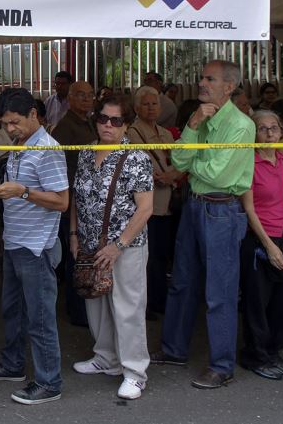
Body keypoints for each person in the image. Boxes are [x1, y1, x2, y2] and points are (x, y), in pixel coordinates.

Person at [150, 60, 255, 389]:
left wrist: (193, 163)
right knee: (182, 281)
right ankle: (174, 349)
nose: (201, 83)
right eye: (202, 77)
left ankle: (222, 366)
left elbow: (218, 174)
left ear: (229, 86)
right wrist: (193, 126)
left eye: (210, 79)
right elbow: (179, 161)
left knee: (219, 292)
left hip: (222, 211)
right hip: (195, 207)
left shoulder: (240, 125)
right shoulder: (201, 118)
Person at [0, 88, 68, 405]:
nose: (9, 129)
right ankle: (13, 364)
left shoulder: (48, 149)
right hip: (14, 242)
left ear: (33, 115)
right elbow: (17, 190)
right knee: (12, 312)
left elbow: (62, 202)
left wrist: (23, 192)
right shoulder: (19, 145)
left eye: (14, 122)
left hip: (36, 247)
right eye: (5, 123)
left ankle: (49, 382)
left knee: (40, 318)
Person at [71, 99, 154, 400]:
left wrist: (118, 246)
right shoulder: (85, 153)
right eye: (103, 118)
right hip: (90, 242)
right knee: (96, 302)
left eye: (116, 121)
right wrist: (73, 232)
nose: (108, 124)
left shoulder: (136, 158)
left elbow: (145, 209)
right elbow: (77, 197)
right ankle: (106, 358)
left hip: (125, 246)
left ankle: (134, 372)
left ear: (127, 125)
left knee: (128, 307)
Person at [238, 110, 283, 380]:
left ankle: (274, 352)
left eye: (274, 127)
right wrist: (269, 246)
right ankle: (256, 356)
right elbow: (249, 210)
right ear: (254, 133)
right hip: (260, 239)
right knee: (257, 302)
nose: (270, 133)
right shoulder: (248, 164)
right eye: (263, 128)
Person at [127, 87, 182, 316]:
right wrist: (160, 176)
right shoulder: (131, 133)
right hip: (147, 204)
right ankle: (148, 304)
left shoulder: (166, 134)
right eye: (146, 104)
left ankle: (160, 300)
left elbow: (179, 162)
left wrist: (172, 175)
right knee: (147, 258)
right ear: (137, 108)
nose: (151, 108)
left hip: (168, 201)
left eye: (155, 104)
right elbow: (134, 165)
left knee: (162, 255)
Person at [50, 80, 97, 326]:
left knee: (83, 254)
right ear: (70, 98)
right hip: (73, 201)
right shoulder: (64, 128)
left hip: (88, 200)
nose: (87, 99)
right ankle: (76, 310)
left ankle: (82, 308)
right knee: (75, 255)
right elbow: (59, 168)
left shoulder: (89, 121)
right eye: (81, 95)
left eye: (90, 95)